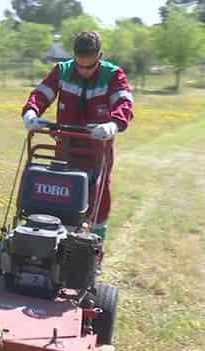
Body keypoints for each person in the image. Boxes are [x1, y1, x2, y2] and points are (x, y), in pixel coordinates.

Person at [21, 31, 134, 239]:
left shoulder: (113, 74)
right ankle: (56, 237)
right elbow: (42, 93)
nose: (83, 71)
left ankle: (95, 243)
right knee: (59, 189)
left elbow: (124, 102)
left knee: (99, 191)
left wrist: (113, 124)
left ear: (100, 56)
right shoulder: (62, 71)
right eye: (79, 65)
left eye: (89, 66)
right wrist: (31, 112)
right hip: (66, 146)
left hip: (98, 147)